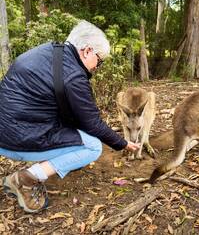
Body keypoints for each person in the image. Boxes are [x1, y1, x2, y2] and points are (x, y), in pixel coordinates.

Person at [0, 20, 140, 213]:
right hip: (16, 138)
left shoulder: (49, 51)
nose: (97, 67)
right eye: (99, 61)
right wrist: (122, 143)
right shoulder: (73, 76)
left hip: (7, 129)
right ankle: (26, 178)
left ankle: (41, 169)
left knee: (76, 132)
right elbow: (92, 124)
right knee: (93, 147)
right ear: (87, 51)